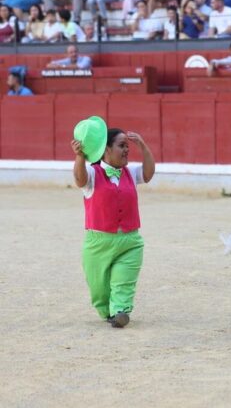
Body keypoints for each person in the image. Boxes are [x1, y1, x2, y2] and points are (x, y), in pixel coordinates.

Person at [71, 120, 156, 328]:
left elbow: (148, 173)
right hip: (98, 242)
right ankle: (107, 311)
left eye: (127, 145)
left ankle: (121, 311)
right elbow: (79, 180)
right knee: (98, 288)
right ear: (106, 149)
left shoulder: (130, 172)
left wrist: (143, 146)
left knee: (124, 282)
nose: (127, 149)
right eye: (121, 145)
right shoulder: (92, 173)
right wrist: (79, 156)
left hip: (130, 240)